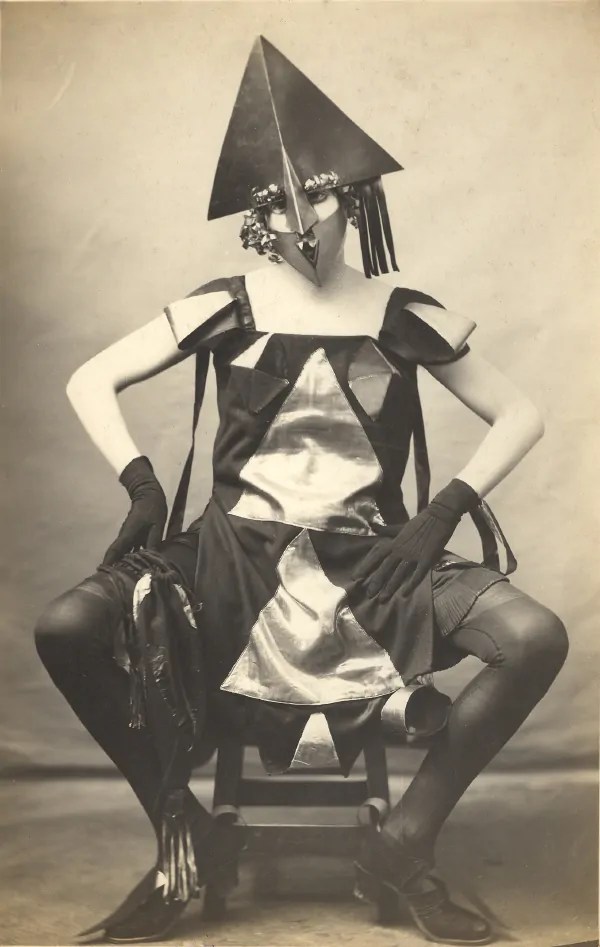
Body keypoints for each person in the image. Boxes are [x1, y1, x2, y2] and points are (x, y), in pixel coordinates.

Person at [34, 36, 568, 946]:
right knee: (67, 626)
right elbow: (91, 379)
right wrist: (142, 484)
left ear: (352, 195)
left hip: (379, 568)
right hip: (230, 566)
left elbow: (521, 413)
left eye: (315, 194)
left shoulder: (400, 314)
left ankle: (401, 844)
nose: (300, 218)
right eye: (276, 203)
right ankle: (183, 833)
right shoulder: (226, 304)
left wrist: (442, 513)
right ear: (256, 220)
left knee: (534, 637)